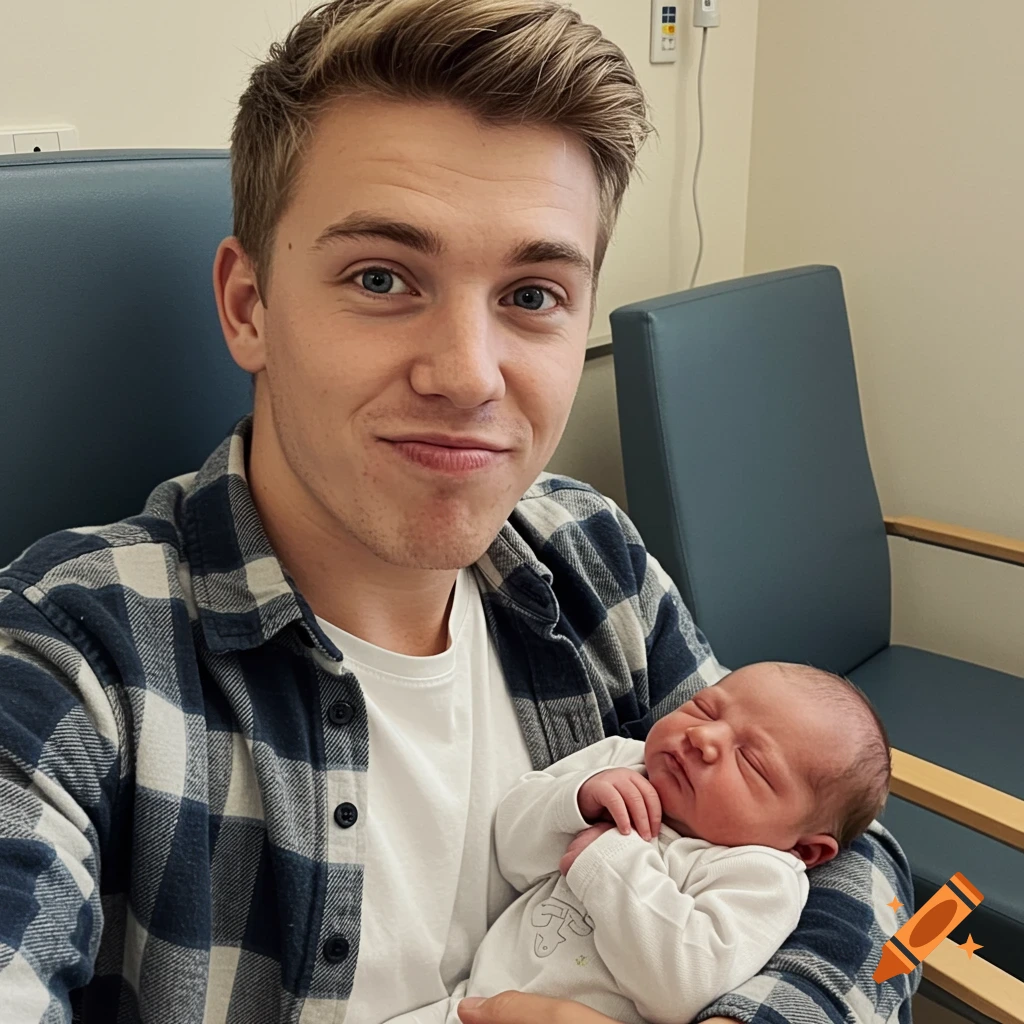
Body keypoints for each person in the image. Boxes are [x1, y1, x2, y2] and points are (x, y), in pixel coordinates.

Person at [0, 1, 917, 1022]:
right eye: (383, 277)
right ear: (248, 306)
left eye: (531, 295)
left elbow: (866, 882)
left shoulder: (587, 555)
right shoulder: (69, 665)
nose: (468, 377)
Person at [389, 663, 892, 1024]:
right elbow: (511, 853)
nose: (705, 737)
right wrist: (576, 800)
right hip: (461, 1004)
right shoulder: (621, 760)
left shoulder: (760, 876)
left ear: (804, 849)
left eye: (751, 763)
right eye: (705, 707)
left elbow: (680, 988)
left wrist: (610, 858)